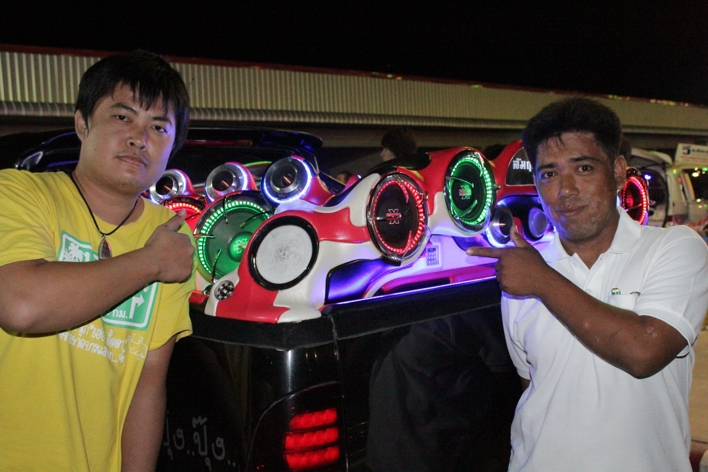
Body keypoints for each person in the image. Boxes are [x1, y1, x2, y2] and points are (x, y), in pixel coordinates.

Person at [467, 97, 708, 471]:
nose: (565, 189)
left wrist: (542, 281)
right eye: (549, 174)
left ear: (617, 171)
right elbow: (536, 387)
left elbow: (643, 351)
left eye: (583, 168)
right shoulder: (524, 272)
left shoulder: (674, 248)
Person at [0, 50, 196, 471]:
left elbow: (148, 383)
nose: (139, 138)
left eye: (158, 127)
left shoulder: (170, 235)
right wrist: (150, 262)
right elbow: (20, 304)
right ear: (82, 124)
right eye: (122, 117)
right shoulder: (17, 193)